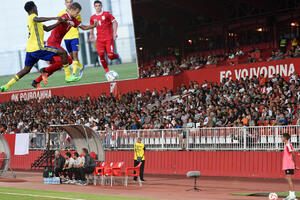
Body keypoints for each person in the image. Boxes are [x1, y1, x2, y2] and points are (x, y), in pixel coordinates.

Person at [0, 1, 67, 92]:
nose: (37, 9)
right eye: (36, 7)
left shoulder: (36, 21)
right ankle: (68, 76)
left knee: (25, 70)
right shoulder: (32, 17)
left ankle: (6, 85)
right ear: (33, 8)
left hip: (30, 50)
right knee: (63, 53)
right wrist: (54, 17)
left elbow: (47, 29)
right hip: (38, 48)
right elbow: (37, 19)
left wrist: (58, 22)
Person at [32, 2, 97, 87]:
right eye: (77, 12)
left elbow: (83, 27)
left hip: (56, 43)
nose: (78, 14)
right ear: (72, 10)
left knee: (62, 63)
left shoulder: (74, 19)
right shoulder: (64, 16)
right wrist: (67, 21)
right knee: (67, 59)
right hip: (52, 43)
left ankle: (37, 81)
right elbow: (62, 19)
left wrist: (94, 26)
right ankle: (65, 76)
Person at [89, 0, 119, 78]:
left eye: (99, 5)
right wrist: (91, 34)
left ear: (101, 6)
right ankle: (107, 72)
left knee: (110, 56)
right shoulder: (92, 17)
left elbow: (115, 22)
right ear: (94, 7)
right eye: (96, 6)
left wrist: (115, 33)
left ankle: (117, 56)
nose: (98, 7)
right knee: (101, 55)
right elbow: (91, 26)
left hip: (108, 39)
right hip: (99, 40)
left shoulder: (107, 14)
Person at [58, 0, 85, 80]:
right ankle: (81, 66)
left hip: (74, 36)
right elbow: (59, 24)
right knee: (72, 57)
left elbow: (79, 24)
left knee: (75, 55)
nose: (69, 3)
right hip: (66, 37)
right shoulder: (61, 14)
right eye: (67, 2)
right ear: (65, 3)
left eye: (70, 2)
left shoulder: (77, 13)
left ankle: (73, 74)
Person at [282, 133, 298, 200]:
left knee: (289, 179)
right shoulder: (286, 145)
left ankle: (292, 196)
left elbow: (293, 154)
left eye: (282, 137)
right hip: (287, 165)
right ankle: (291, 195)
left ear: (285, 138)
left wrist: (295, 164)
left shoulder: (288, 145)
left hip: (289, 164)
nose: (281, 138)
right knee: (288, 179)